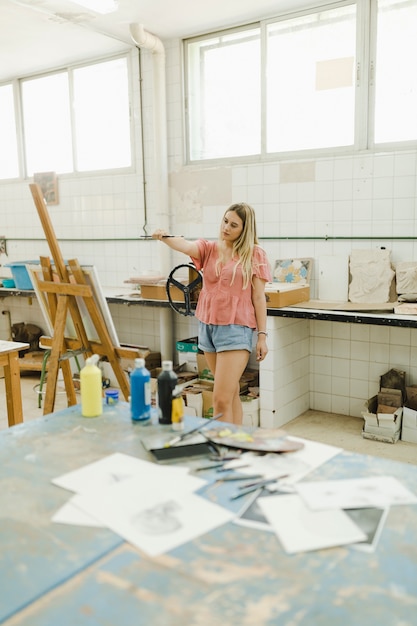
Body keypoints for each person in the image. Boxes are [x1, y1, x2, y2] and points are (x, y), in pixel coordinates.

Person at [152, 202, 272, 424]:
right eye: (225, 221)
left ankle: (222, 447)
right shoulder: (210, 249)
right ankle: (235, 443)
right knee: (231, 393)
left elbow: (258, 298)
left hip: (236, 328)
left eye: (234, 225)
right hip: (207, 327)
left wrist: (262, 336)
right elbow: (186, 246)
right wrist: (165, 237)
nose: (226, 227)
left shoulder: (255, 254)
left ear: (245, 230)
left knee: (220, 399)